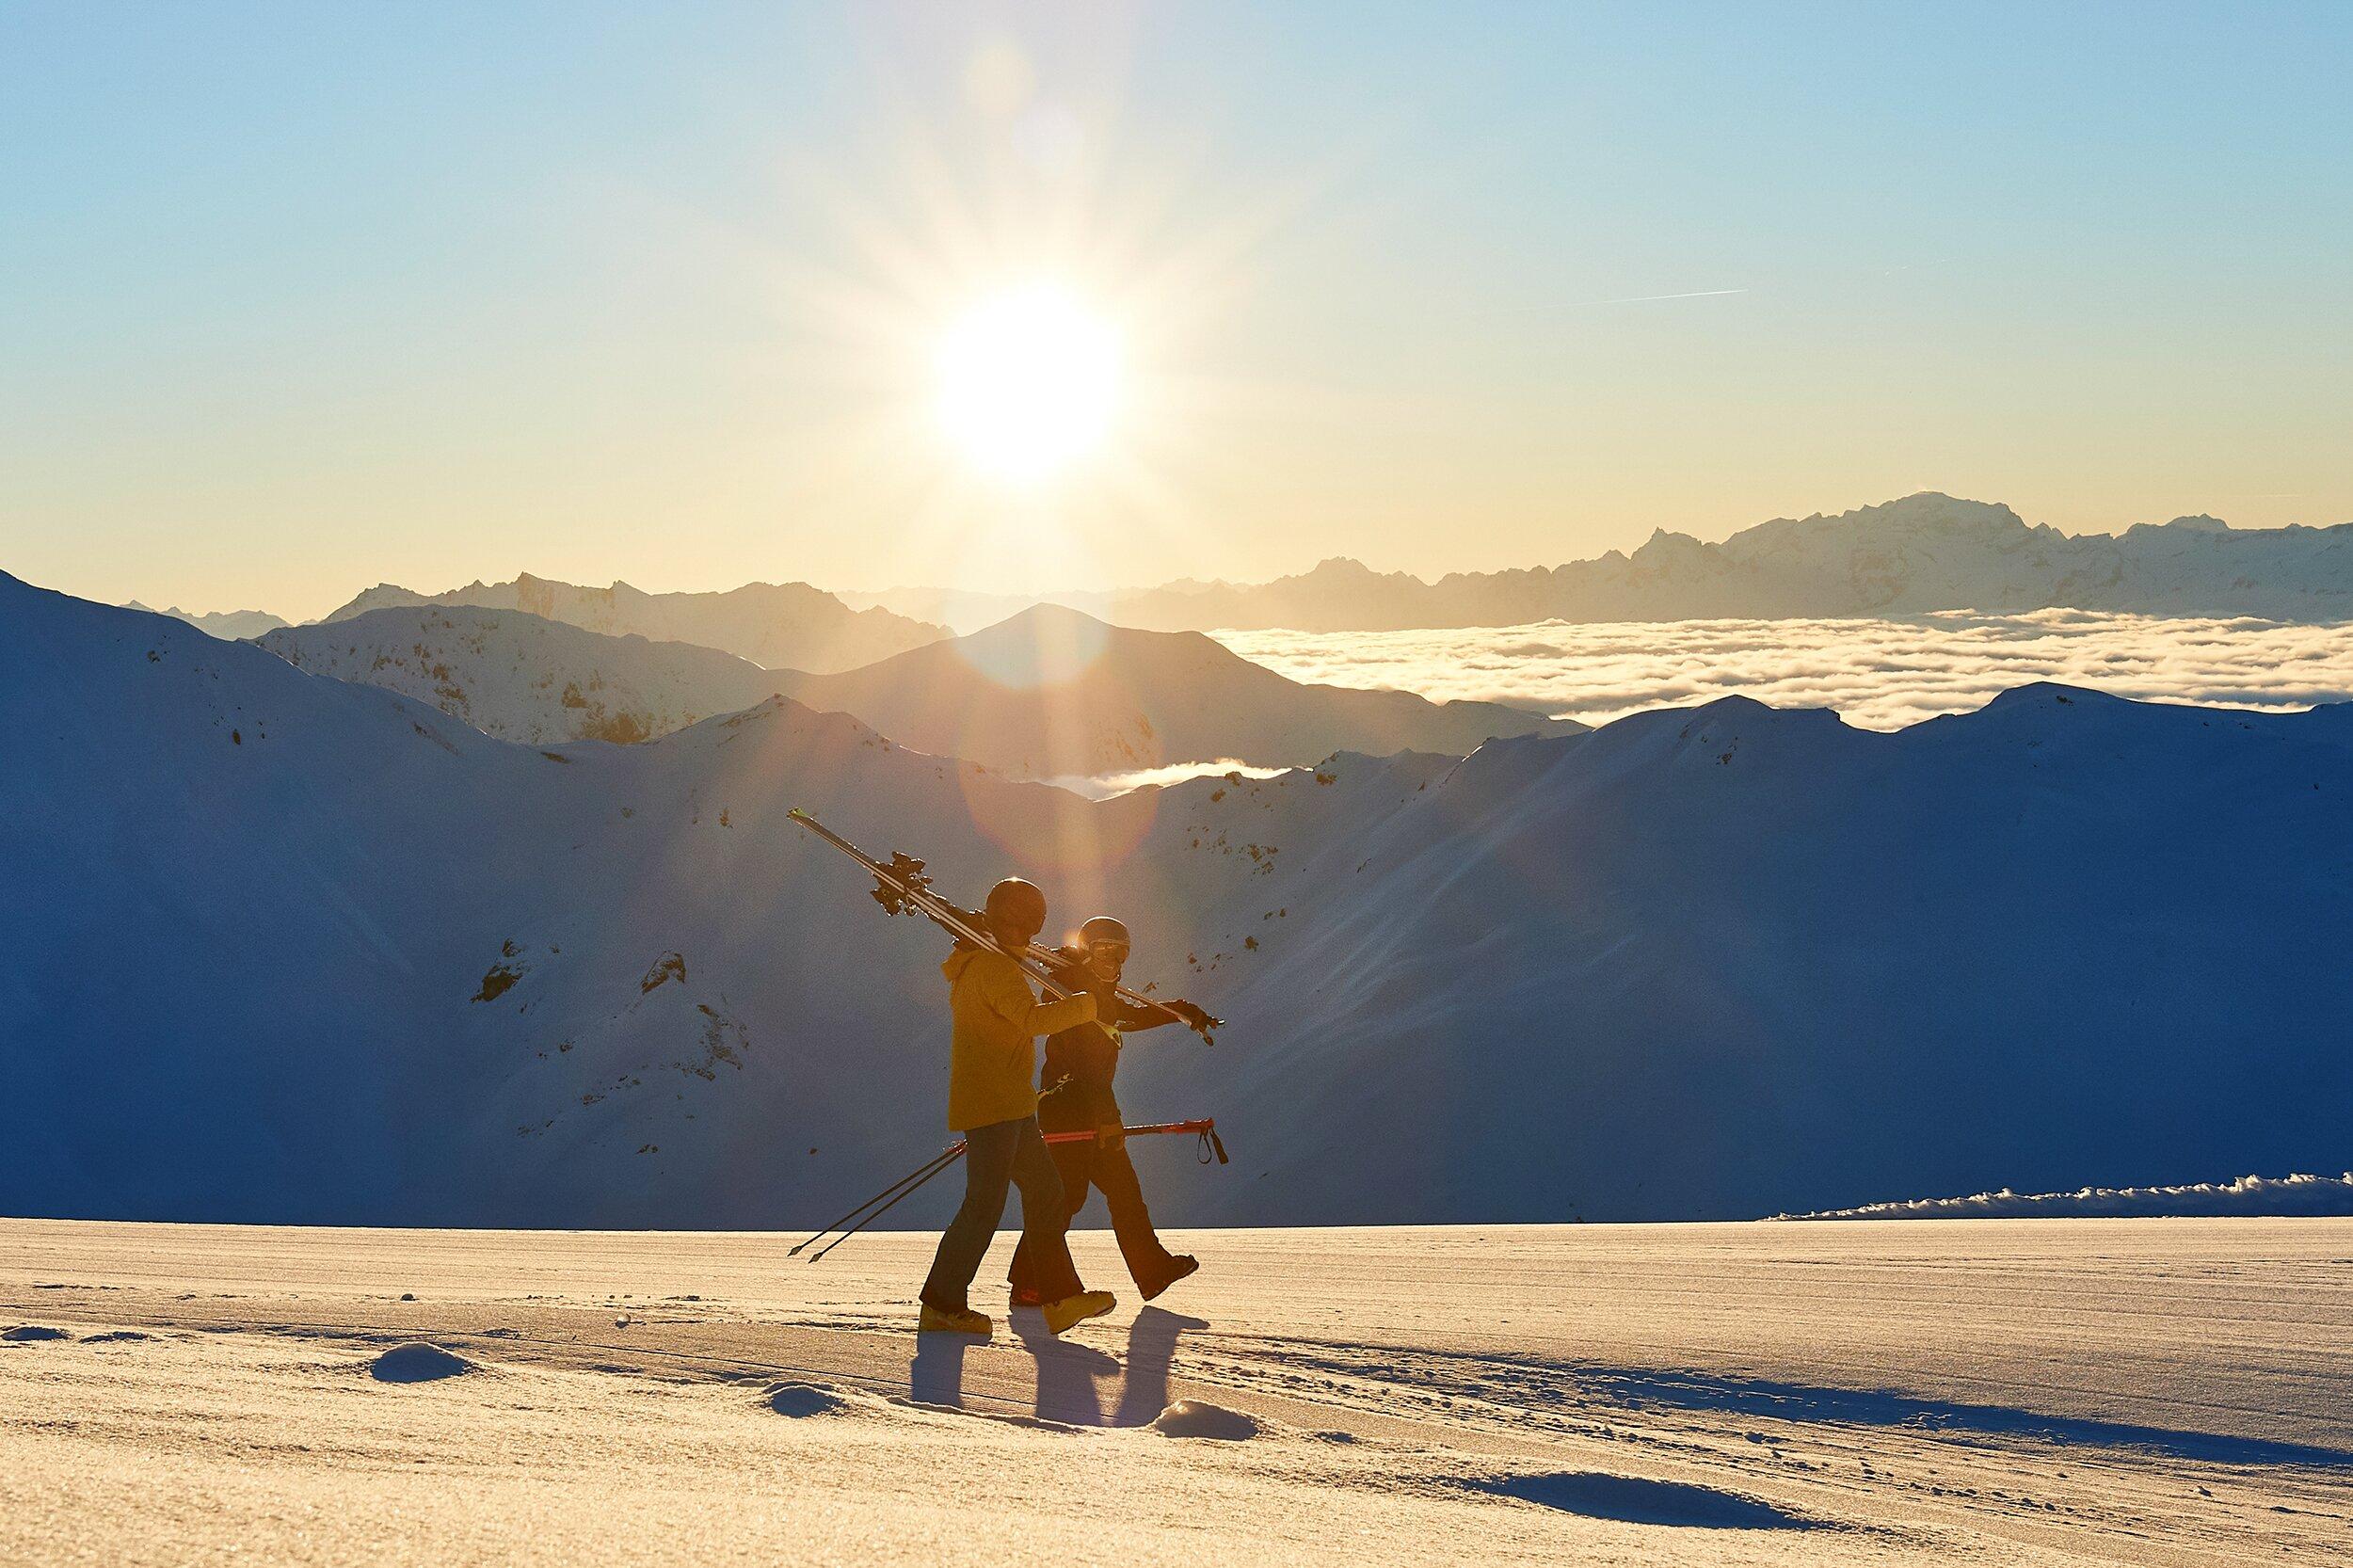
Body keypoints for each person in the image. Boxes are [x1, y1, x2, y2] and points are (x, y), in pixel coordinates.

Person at [917, 876, 1117, 1339]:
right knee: (984, 1206)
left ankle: (1059, 1298)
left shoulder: (983, 963)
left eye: (1029, 928)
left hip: (1007, 1102)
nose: (1025, 936)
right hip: (995, 1105)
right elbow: (1031, 1020)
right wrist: (1087, 1006)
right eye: (1022, 926)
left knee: (1046, 1193)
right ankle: (942, 1304)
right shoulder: (994, 968)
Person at [1008, 915, 1216, 1305]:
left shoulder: (1099, 997)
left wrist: (1184, 1011)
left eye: (1121, 953)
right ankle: (1028, 1281)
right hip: (1067, 1109)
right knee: (1066, 1198)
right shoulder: (1068, 993)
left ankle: (1151, 1272)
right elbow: (1082, 1063)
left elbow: (1129, 1016)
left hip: (1098, 1111)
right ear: (1088, 952)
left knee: (1124, 1192)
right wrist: (1065, 968)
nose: (1115, 960)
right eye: (1105, 950)